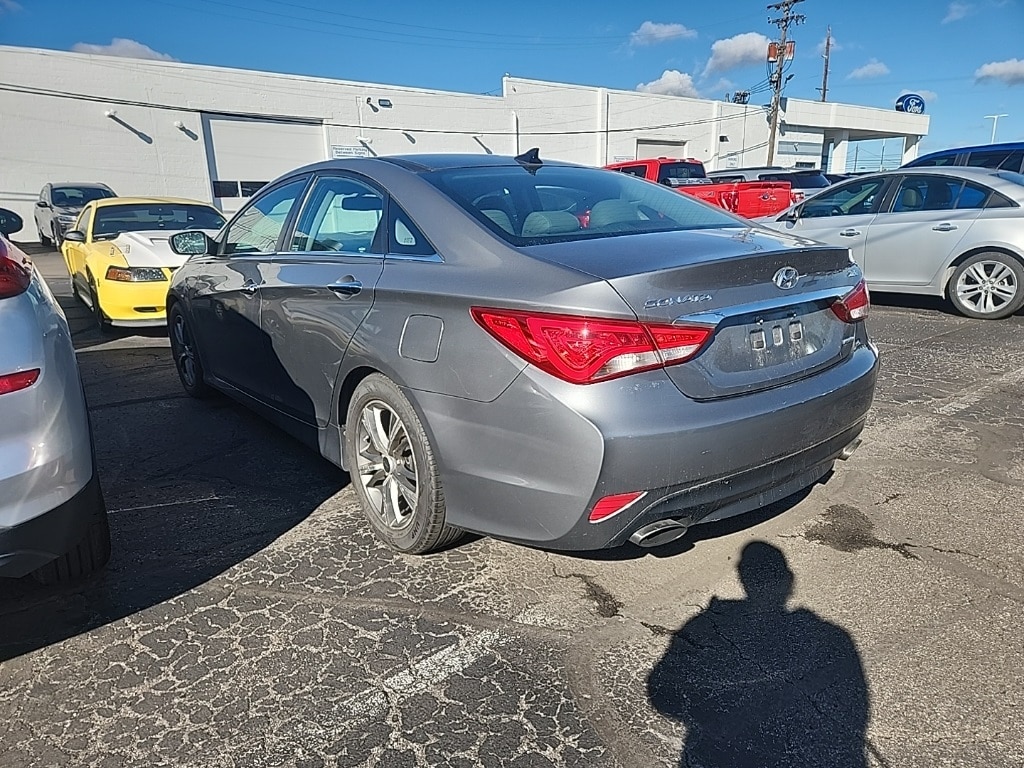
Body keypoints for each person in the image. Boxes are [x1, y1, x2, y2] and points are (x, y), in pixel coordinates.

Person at [647, 541, 870, 767]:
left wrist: (708, 717)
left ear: (742, 578)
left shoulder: (705, 625)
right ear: (789, 581)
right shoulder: (829, 636)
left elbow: (662, 691)